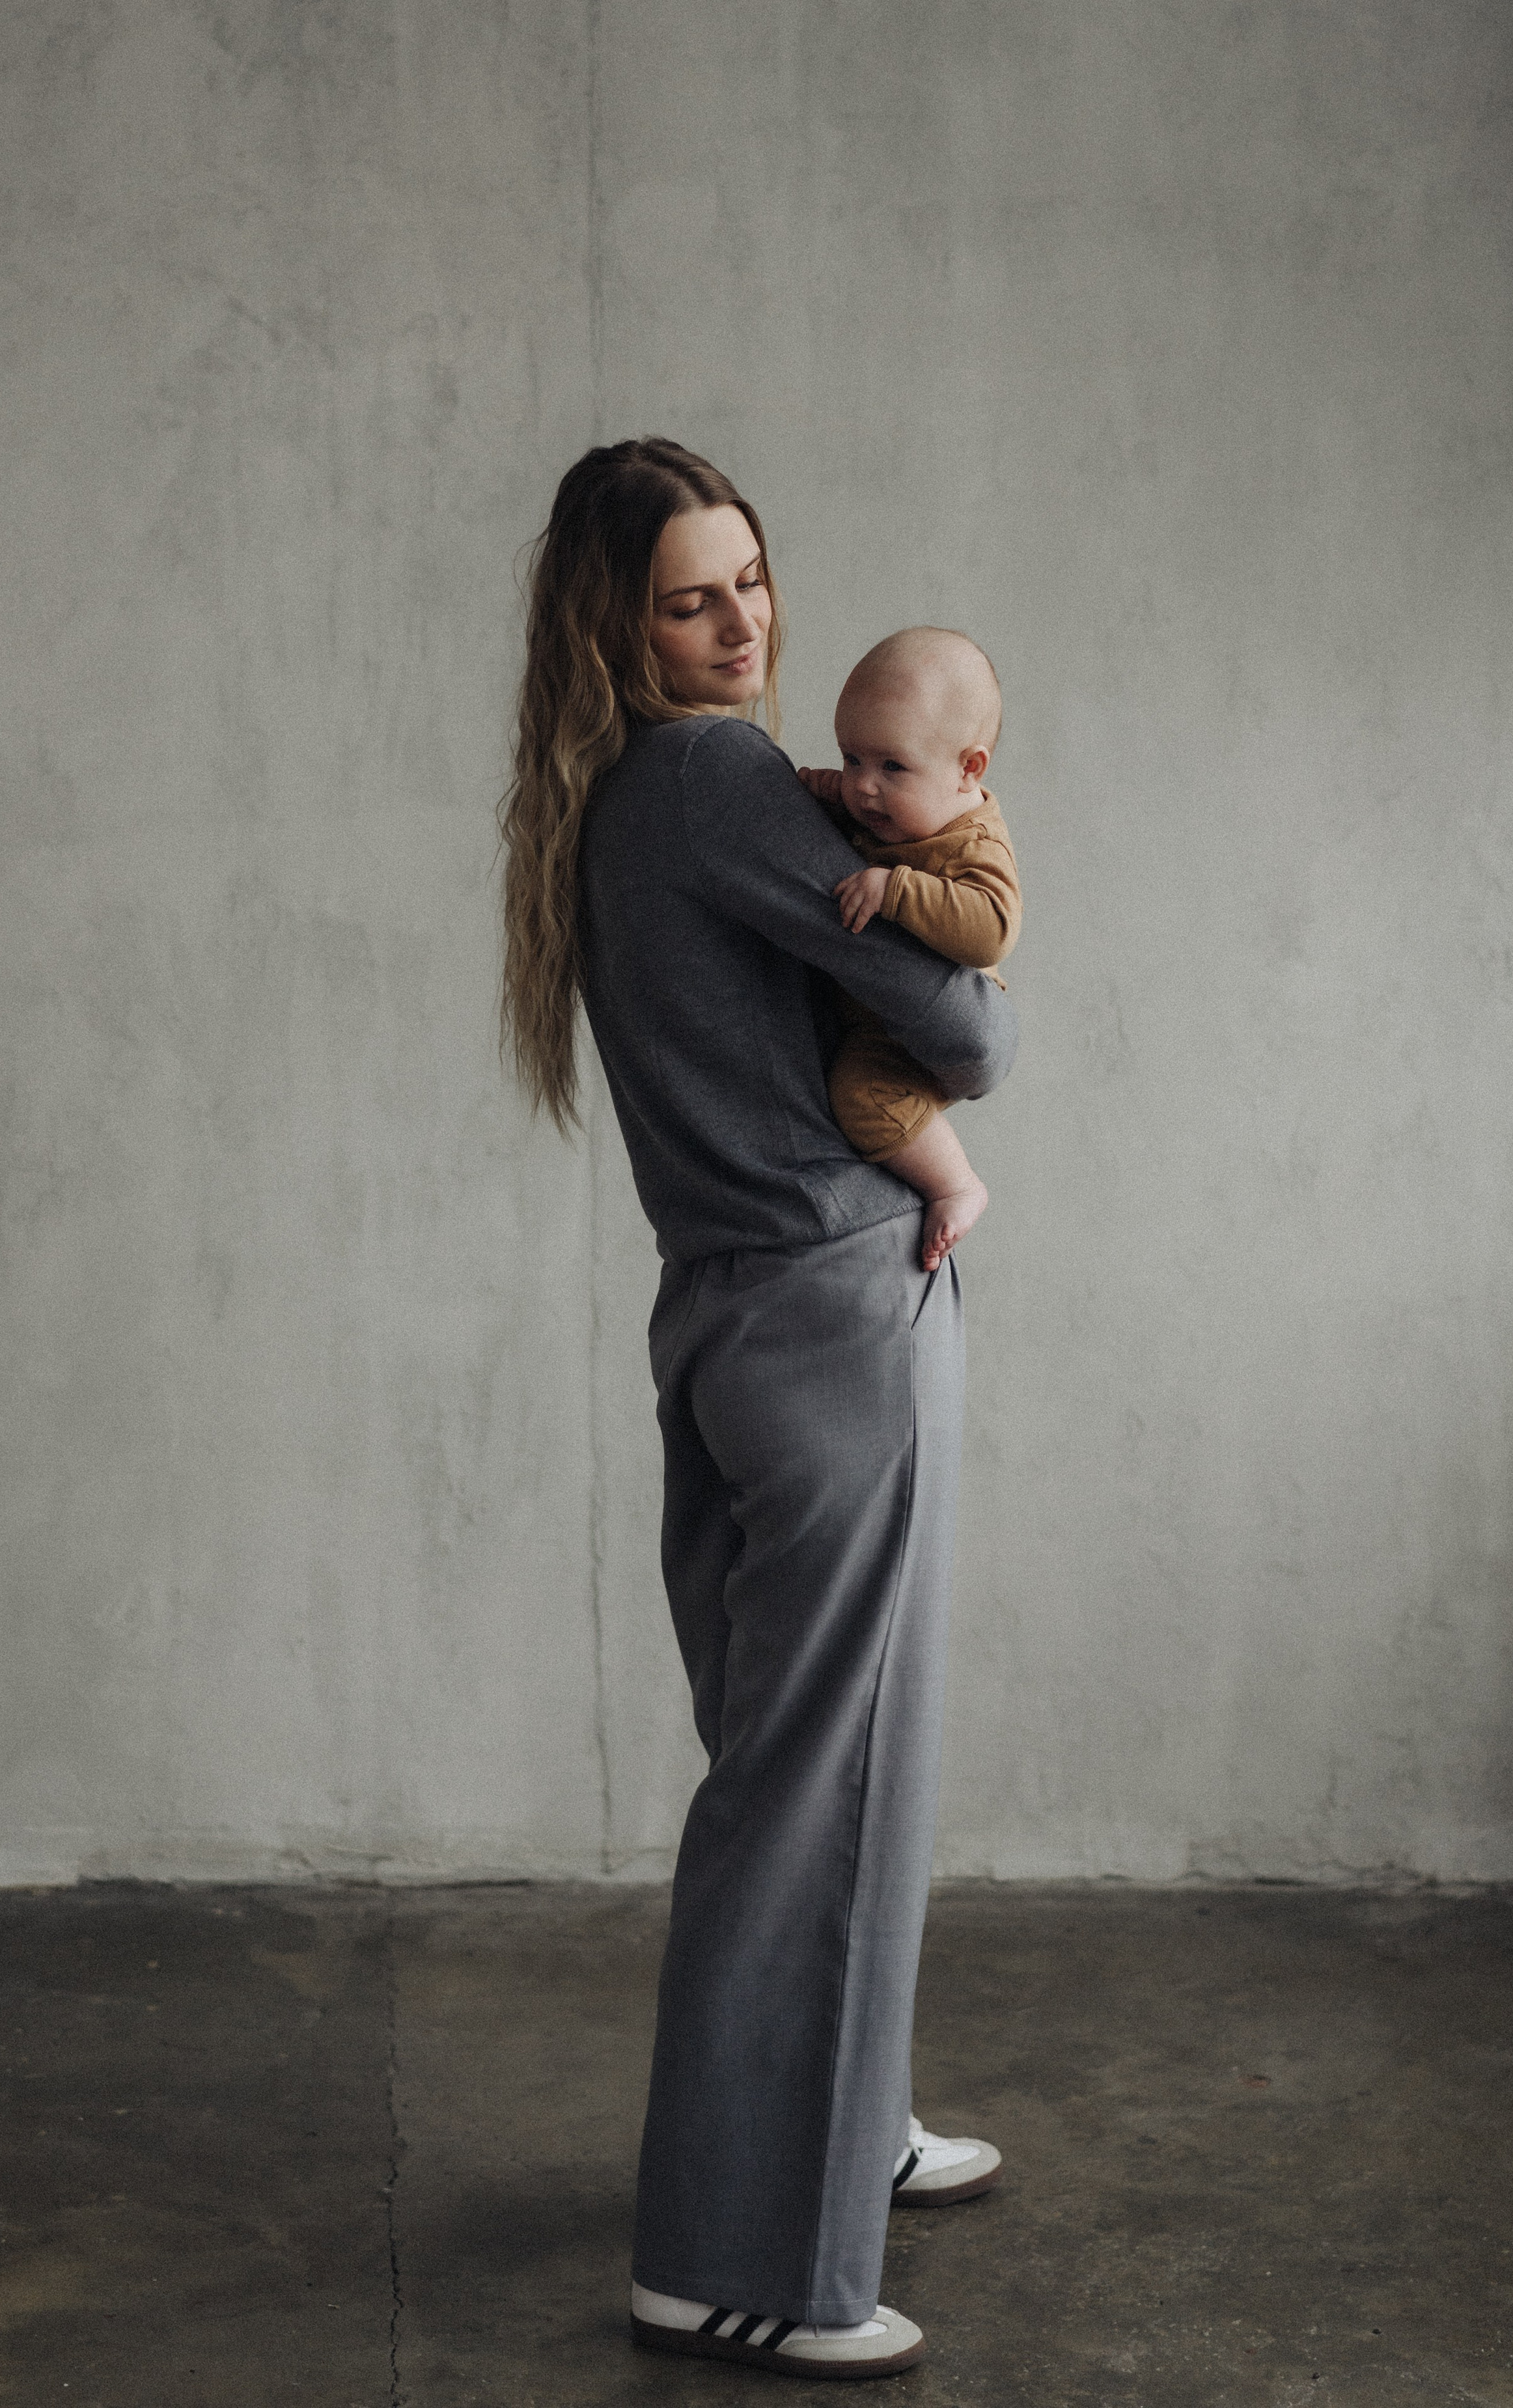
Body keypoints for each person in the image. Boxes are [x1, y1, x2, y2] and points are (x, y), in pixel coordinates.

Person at [499, 437, 1018, 2380]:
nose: (740, 624)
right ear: (614, 628)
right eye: (688, 599)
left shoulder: (615, 797)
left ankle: (835, 2121)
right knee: (824, 1780)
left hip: (720, 1314)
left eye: (750, 578)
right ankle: (734, 2261)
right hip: (829, 1309)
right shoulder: (717, 777)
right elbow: (964, 1026)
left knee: (798, 1764)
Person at [798, 626, 1020, 1273]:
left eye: (891, 767)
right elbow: (839, 796)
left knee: (861, 1096)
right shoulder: (884, 803)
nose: (864, 787)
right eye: (851, 759)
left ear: (968, 769)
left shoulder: (972, 843)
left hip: (915, 1035)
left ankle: (956, 1185)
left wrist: (898, 889)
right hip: (868, 1005)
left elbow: (991, 928)